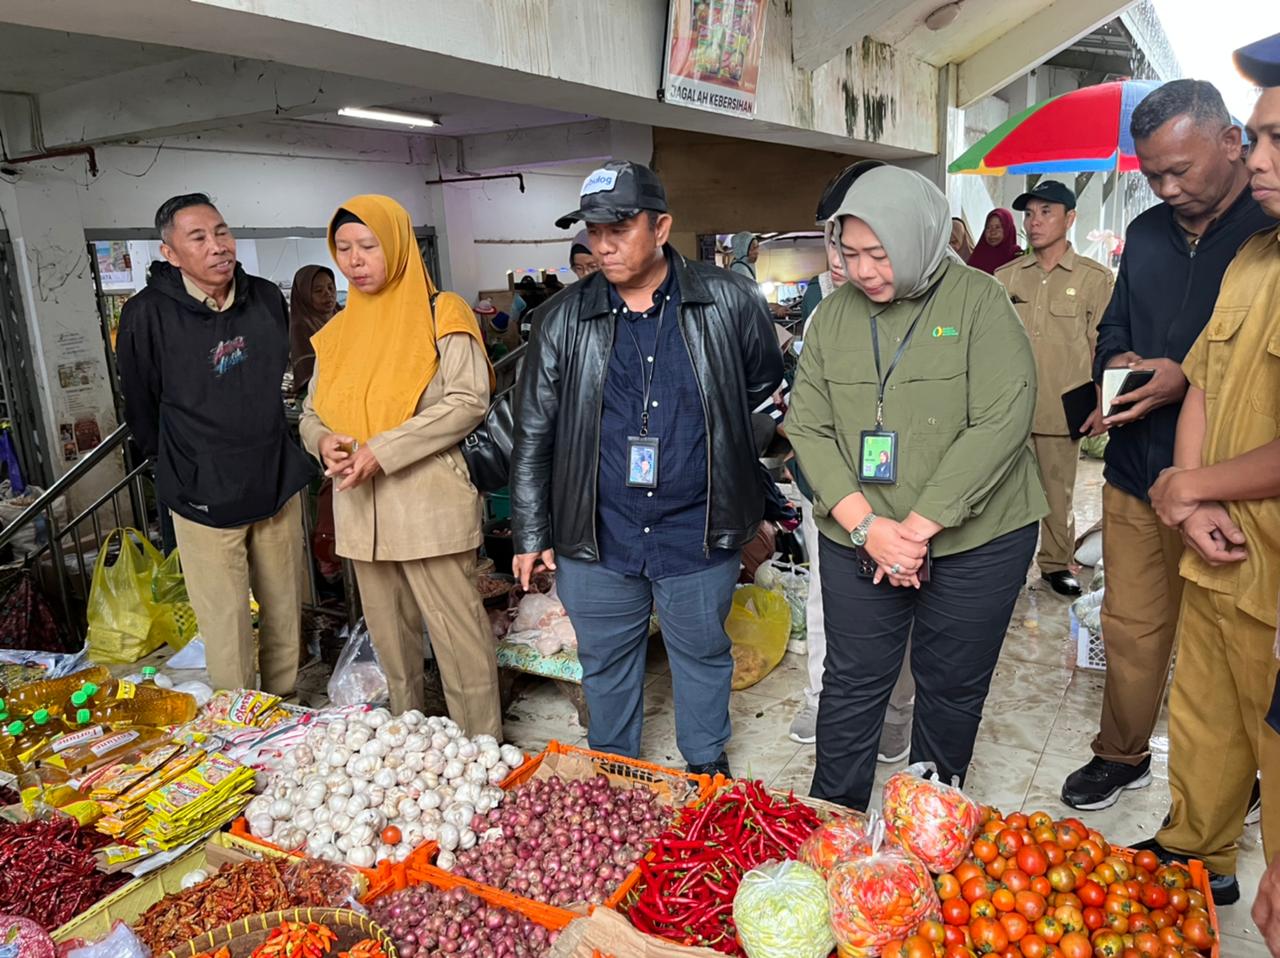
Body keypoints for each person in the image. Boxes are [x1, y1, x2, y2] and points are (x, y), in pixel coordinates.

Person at [510, 161, 784, 777]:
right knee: (605, 657)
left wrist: (732, 469)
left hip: (697, 523)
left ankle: (705, 762)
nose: (602, 243)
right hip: (599, 528)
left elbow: (763, 390)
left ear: (662, 227)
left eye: (619, 226)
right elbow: (534, 431)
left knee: (701, 651)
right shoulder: (560, 320)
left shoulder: (727, 301)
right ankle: (616, 766)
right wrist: (531, 533)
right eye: (592, 230)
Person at [787, 166, 1046, 810]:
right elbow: (810, 428)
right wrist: (868, 528)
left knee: (950, 686)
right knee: (850, 683)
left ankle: (927, 825)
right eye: (850, 253)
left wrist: (915, 530)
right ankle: (833, 818)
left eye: (880, 252)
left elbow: (1001, 421)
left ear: (920, 239)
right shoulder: (832, 319)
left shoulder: (980, 302)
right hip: (860, 532)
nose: (865, 270)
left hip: (976, 539)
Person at [1060, 79, 1272, 818]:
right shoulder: (1148, 233)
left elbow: (1238, 364)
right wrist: (1113, 369)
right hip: (1134, 471)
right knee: (1132, 625)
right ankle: (1121, 754)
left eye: (1180, 169)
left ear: (1229, 141)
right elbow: (1113, 324)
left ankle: (1243, 780)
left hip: (1231, 485)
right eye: (1152, 173)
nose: (1167, 186)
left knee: (1232, 646)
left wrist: (1185, 377)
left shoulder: (1265, 231)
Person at [1130, 71, 1280, 908]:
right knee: (1206, 717)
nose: (1257, 161)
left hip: (1273, 563)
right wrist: (1187, 495)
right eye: (1257, 138)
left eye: (1274, 141)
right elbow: (1208, 383)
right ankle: (1200, 853)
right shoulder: (1257, 256)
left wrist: (1193, 485)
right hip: (1222, 543)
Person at [299, 195, 502, 737]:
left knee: (458, 639)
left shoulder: (443, 312)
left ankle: (481, 749)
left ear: (398, 245)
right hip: (361, 510)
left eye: (368, 246)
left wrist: (381, 450)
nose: (354, 260)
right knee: (391, 644)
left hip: (427, 503)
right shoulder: (340, 332)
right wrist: (323, 442)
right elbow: (311, 409)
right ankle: (412, 743)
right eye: (343, 249)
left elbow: (467, 400)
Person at [116, 193, 313, 695]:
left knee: (286, 608)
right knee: (226, 624)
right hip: (201, 489)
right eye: (198, 238)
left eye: (222, 232)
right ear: (170, 252)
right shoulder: (146, 314)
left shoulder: (265, 296)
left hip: (272, 477)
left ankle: (283, 705)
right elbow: (140, 405)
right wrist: (177, 467)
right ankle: (240, 719)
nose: (218, 246)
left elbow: (275, 374)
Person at [787, 159, 915, 762]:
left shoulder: (927, 308)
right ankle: (822, 694)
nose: (842, 258)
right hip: (837, 488)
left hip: (905, 489)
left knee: (904, 592)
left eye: (861, 243)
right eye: (833, 240)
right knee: (827, 595)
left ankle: (897, 708)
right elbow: (808, 416)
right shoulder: (821, 317)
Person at [995, 180, 1114, 597]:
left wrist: (1102, 403)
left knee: (1056, 493)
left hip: (1063, 405)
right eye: (1029, 213)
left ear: (1070, 218)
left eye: (1046, 212)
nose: (1034, 221)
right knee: (1001, 493)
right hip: (1007, 405)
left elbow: (1105, 346)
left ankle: (1054, 563)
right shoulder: (1005, 276)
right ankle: (1003, 566)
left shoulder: (1095, 279)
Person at [288, 265, 338, 398]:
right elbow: (310, 376)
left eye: (330, 287)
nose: (327, 293)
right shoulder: (300, 327)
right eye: (318, 290)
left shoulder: (342, 315)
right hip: (316, 396)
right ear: (304, 295)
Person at [967, 208, 1023, 274]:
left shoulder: (1017, 258)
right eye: (988, 227)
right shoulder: (978, 255)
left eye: (998, 227)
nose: (992, 232)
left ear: (1008, 229)